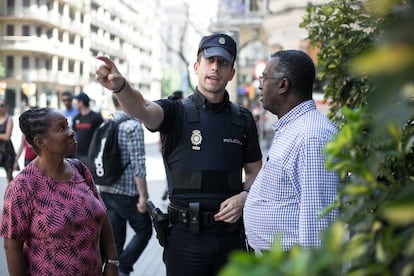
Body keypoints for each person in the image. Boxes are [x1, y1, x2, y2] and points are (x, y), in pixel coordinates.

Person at [95, 33, 263, 276]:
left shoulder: (243, 119)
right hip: (186, 240)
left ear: (231, 73)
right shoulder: (175, 111)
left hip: (230, 238)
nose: (215, 68)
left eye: (223, 63)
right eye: (210, 60)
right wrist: (120, 87)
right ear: (197, 67)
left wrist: (245, 195)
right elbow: (142, 109)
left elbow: (255, 170)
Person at [0, 107, 119, 275]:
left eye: (67, 125)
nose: (71, 132)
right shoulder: (22, 187)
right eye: (61, 128)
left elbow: (103, 215)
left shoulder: (80, 170)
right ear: (41, 142)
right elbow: (12, 247)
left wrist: (112, 262)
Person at [243, 50, 340, 252]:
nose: (260, 85)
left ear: (283, 85)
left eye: (264, 78)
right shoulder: (293, 128)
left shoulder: (312, 136)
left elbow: (318, 227)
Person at [99, 95, 152, 276]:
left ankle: (114, 270)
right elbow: (139, 163)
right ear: (124, 101)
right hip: (127, 191)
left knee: (116, 237)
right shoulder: (133, 126)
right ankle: (123, 267)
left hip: (106, 188)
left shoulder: (106, 123)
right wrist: (143, 196)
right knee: (144, 230)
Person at [160, 90, 183, 201]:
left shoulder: (170, 111)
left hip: (167, 146)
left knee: (169, 170)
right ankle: (170, 190)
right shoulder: (180, 111)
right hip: (178, 147)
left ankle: (168, 189)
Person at [72, 92, 103, 164]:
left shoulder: (96, 117)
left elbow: (101, 135)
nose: (75, 104)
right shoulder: (76, 118)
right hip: (78, 155)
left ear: (81, 102)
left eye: (76, 101)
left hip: (92, 155)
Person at [0, 99, 16, 183]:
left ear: (6, 107)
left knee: (9, 176)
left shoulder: (9, 119)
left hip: (6, 150)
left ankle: (13, 194)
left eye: (2, 105)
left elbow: (7, 136)